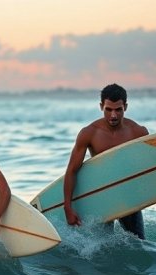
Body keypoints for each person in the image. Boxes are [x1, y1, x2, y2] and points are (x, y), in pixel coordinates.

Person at [63, 84, 149, 239]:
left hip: (127, 196)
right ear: (101, 106)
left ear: (126, 107)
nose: (113, 115)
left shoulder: (138, 132)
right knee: (101, 249)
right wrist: (68, 207)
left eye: (118, 109)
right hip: (101, 195)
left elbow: (149, 167)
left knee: (139, 243)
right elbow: (71, 171)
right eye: (108, 110)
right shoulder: (89, 133)